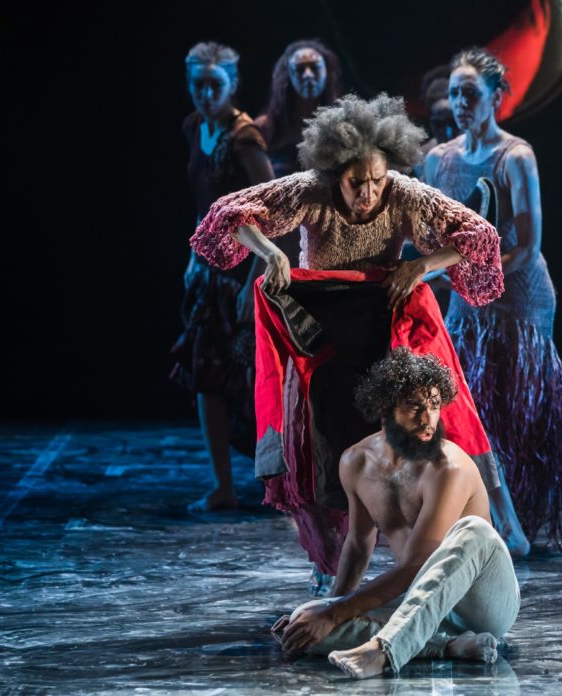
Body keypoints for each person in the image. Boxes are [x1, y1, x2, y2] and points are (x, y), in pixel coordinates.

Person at [190, 93, 506, 594]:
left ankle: (429, 536)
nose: (368, 192)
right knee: (325, 440)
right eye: (357, 182)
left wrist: (422, 264)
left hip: (381, 322)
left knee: (404, 430)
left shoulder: (403, 193)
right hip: (322, 330)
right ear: (335, 170)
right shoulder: (309, 191)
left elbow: (478, 234)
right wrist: (270, 249)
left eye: (377, 180)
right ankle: (328, 562)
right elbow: (229, 214)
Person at [272, 349, 520, 679]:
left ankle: (385, 651)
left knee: (473, 529)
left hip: (481, 603)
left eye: (434, 406)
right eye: (415, 407)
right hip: (421, 605)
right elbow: (359, 545)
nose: (428, 419)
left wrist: (335, 614)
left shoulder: (449, 467)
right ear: (384, 408)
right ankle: (448, 646)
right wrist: (330, 608)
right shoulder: (356, 462)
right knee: (305, 616)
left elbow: (418, 563)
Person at [425, 48, 562, 553]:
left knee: (515, 414)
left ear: (495, 98)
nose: (460, 103)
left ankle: (516, 519)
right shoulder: (438, 161)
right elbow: (428, 237)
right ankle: (491, 517)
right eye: (454, 94)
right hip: (468, 302)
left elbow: (527, 245)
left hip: (520, 300)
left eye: (470, 94)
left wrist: (471, 273)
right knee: (471, 409)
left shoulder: (516, 156)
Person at [169, 42, 274, 512]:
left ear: (233, 84)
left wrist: (257, 280)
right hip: (209, 273)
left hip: (242, 274)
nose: (206, 93)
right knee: (206, 375)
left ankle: (281, 484)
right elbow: (202, 203)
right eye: (198, 85)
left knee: (254, 381)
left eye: (215, 85)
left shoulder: (244, 139)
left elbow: (273, 213)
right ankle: (223, 486)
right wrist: (195, 251)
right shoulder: (195, 127)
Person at [255, 39, 343, 179]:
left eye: (314, 67)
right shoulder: (265, 127)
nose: (308, 75)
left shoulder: (343, 125)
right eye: (299, 69)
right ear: (288, 75)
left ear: (327, 72)